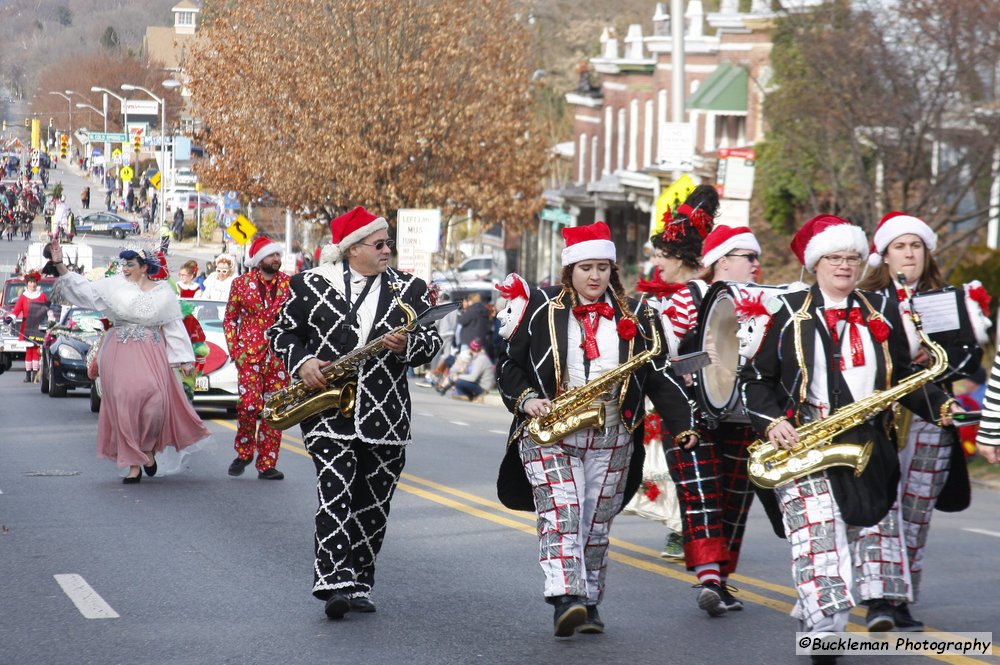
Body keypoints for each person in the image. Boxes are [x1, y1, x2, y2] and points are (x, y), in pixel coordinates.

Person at [739, 215, 959, 661]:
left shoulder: (880, 310)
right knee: (819, 532)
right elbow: (754, 379)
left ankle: (814, 607)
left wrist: (941, 407)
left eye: (853, 258)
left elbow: (904, 376)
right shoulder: (787, 312)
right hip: (803, 439)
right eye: (835, 258)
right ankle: (826, 630)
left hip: (867, 441)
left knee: (855, 531)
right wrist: (770, 422)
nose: (844, 266)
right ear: (817, 262)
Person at [495, 221, 697, 638]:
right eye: (586, 267)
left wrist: (683, 426)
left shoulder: (639, 315)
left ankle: (588, 602)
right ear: (570, 270)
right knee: (563, 512)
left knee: (594, 523)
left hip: (613, 431)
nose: (595, 276)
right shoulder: (540, 309)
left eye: (603, 267)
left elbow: (658, 374)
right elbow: (509, 366)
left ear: (612, 271)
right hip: (549, 428)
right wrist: (528, 398)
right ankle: (565, 598)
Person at [268, 206, 442, 620]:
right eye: (378, 244)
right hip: (329, 412)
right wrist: (303, 361)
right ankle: (331, 582)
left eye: (389, 243)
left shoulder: (411, 288)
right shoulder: (309, 285)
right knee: (335, 493)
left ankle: (360, 579)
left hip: (388, 415)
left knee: (373, 504)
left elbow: (432, 343)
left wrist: (410, 347)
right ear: (352, 249)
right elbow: (281, 331)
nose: (387, 250)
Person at [855, 212, 988, 631]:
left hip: (931, 417)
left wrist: (939, 362)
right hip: (882, 416)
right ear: (885, 255)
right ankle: (878, 598)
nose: (909, 254)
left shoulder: (947, 298)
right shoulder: (865, 300)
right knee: (881, 508)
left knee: (915, 512)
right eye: (900, 246)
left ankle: (901, 599)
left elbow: (970, 358)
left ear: (926, 253)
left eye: (915, 246)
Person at [660, 211, 762, 616]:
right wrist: (699, 363)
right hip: (692, 418)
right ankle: (709, 578)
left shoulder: (765, 303)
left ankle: (720, 578)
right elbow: (662, 362)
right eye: (746, 256)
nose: (755, 264)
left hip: (743, 418)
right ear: (722, 261)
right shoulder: (687, 299)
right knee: (702, 496)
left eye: (756, 257)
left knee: (735, 503)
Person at [47, 239, 213, 483]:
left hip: (151, 352)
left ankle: (146, 449)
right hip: (119, 350)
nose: (124, 268)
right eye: (123, 264)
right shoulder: (113, 287)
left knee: (156, 402)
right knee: (124, 403)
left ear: (144, 267)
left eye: (130, 264)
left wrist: (184, 359)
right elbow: (83, 290)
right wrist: (60, 264)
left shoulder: (162, 293)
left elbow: (173, 325)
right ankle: (133, 463)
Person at [626, 187, 714, 560]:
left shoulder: (691, 295)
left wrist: (680, 372)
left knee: (685, 465)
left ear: (681, 257)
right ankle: (688, 532)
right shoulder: (672, 295)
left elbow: (704, 355)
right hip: (674, 391)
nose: (657, 262)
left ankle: (687, 533)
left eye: (663, 255)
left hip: (690, 395)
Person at [224, 236, 292, 480]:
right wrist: (236, 352)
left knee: (275, 410)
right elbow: (230, 319)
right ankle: (244, 451)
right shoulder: (241, 284)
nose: (277, 259)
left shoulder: (289, 284)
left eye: (278, 255)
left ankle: (267, 464)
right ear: (259, 259)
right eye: (272, 255)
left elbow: (298, 320)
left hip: (279, 356)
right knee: (248, 406)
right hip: (249, 355)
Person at [6, 271, 48, 383]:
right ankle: (28, 375)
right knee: (29, 350)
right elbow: (16, 311)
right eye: (30, 282)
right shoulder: (23, 297)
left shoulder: (42, 296)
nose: (33, 284)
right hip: (27, 326)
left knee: (36, 350)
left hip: (38, 327)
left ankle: (35, 374)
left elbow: (48, 310)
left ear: (37, 283)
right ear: (27, 283)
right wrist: (10, 318)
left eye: (34, 282)